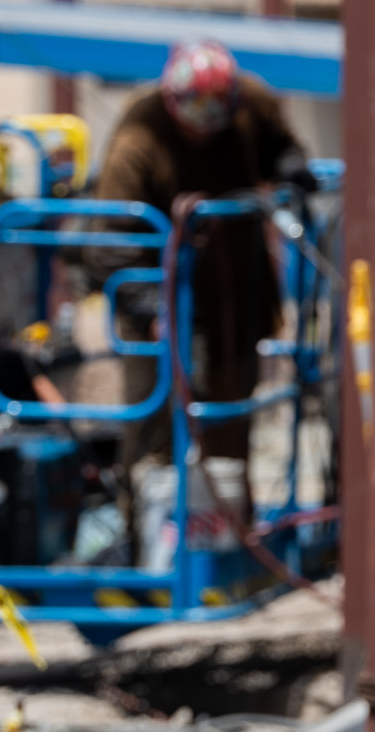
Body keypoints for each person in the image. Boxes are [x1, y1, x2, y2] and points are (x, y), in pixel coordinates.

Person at [91, 40, 313, 480]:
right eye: (198, 117)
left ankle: (227, 527)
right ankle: (148, 531)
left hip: (236, 299)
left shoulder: (251, 102)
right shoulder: (138, 141)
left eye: (219, 116)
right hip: (162, 310)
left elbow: (283, 147)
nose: (208, 127)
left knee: (230, 423)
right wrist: (154, 306)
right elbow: (110, 242)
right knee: (156, 428)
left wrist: (291, 171)